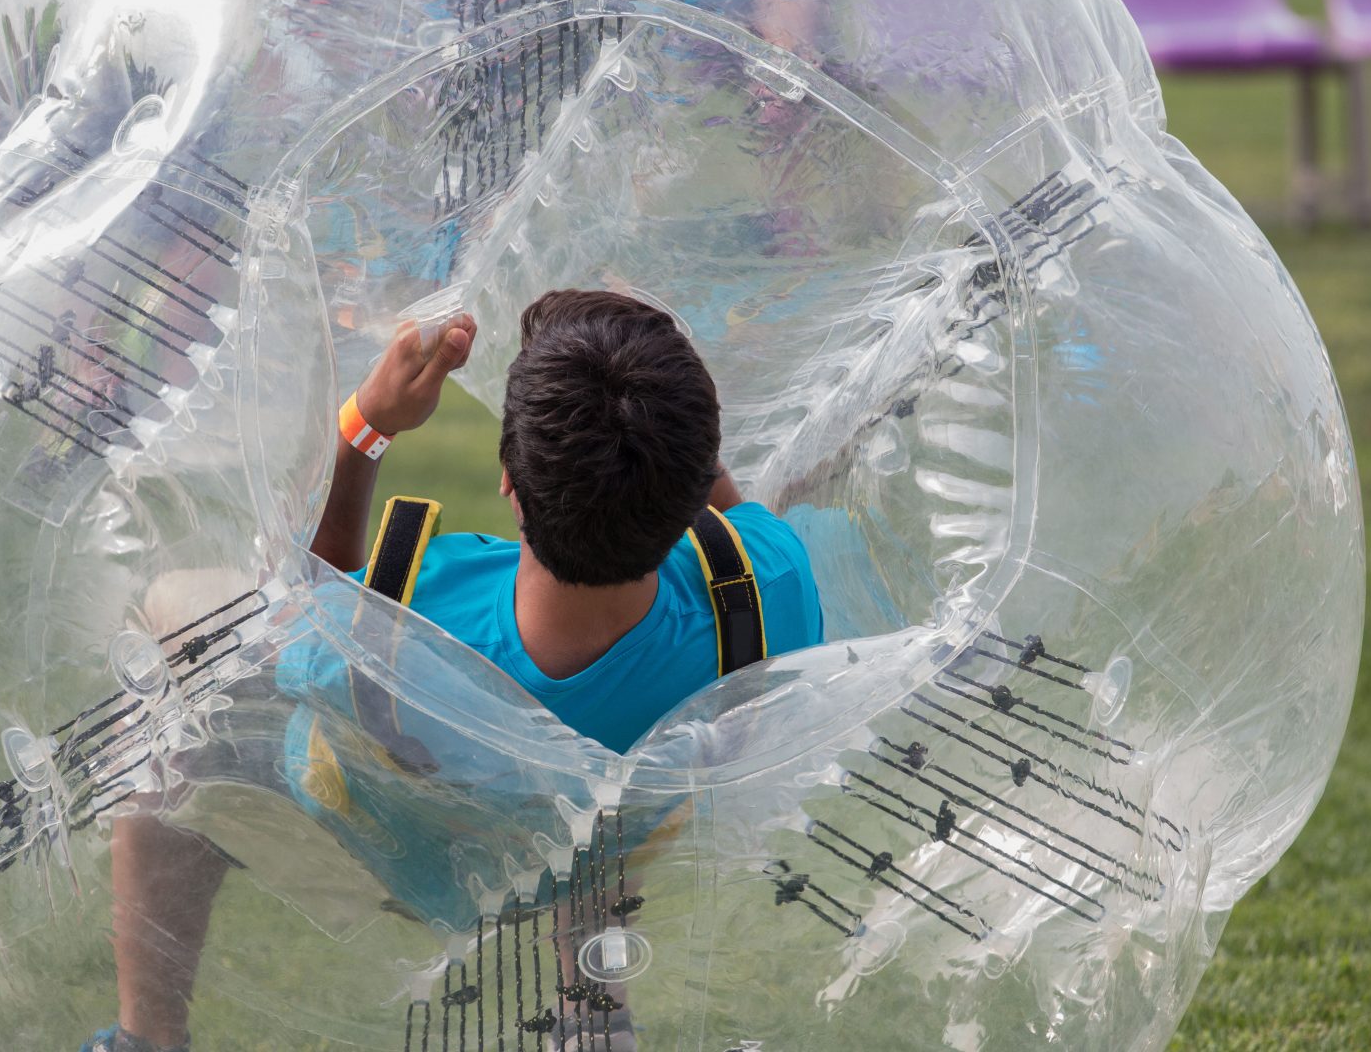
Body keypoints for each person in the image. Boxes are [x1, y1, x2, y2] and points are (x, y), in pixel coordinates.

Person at [92, 289, 824, 1052]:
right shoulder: (768, 586)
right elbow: (729, 517)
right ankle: (591, 1016)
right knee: (619, 753)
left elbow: (298, 607)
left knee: (173, 628)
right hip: (602, 838)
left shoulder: (418, 604)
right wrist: (663, 408)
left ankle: (146, 1038)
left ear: (509, 479)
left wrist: (363, 432)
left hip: (413, 852)